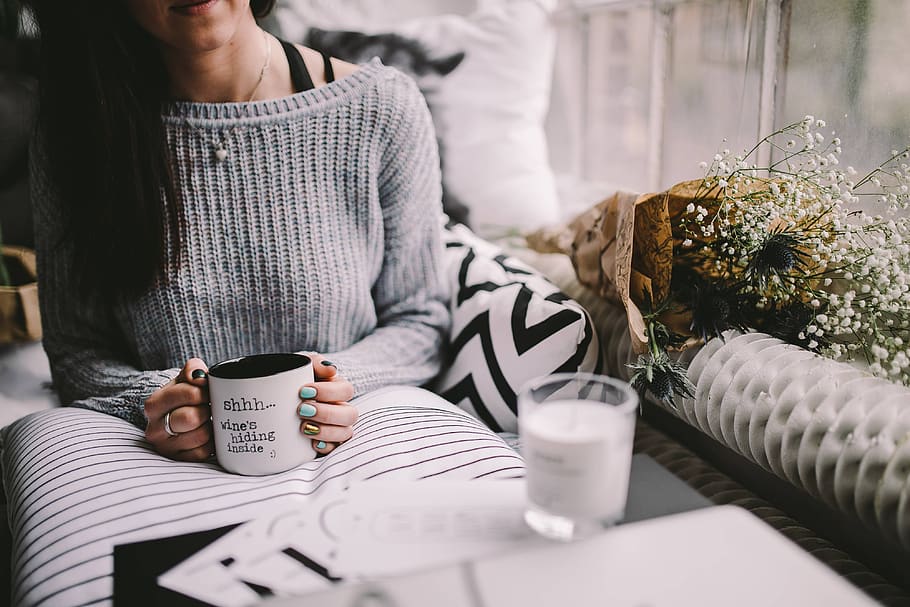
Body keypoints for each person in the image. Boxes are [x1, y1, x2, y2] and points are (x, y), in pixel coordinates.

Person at [26, 0, 451, 462]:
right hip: (166, 470)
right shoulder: (77, 135)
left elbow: (420, 320)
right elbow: (75, 350)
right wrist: (157, 399)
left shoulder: (380, 107)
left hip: (352, 453)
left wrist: (334, 381)